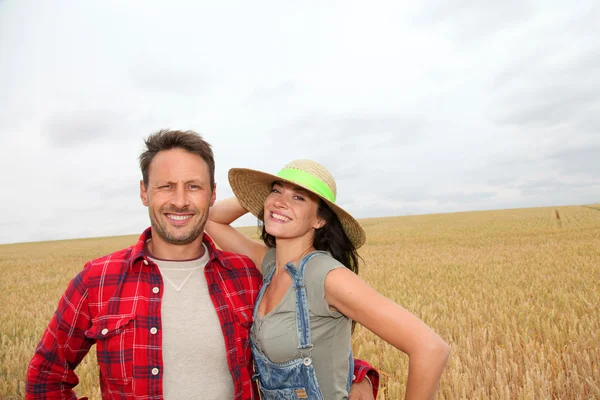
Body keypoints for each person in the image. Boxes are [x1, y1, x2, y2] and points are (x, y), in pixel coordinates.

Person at [25, 130, 378, 400]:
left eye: (193, 187)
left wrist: (356, 374)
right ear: (144, 192)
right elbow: (46, 377)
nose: (179, 201)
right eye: (166, 186)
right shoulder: (98, 280)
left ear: (211, 195)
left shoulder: (245, 275)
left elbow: (296, 333)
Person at [205, 159, 450, 399]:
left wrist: (274, 199)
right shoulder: (270, 264)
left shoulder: (328, 277)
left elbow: (430, 348)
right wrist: (261, 194)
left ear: (319, 219)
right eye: (276, 190)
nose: (281, 201)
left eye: (299, 197)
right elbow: (211, 220)